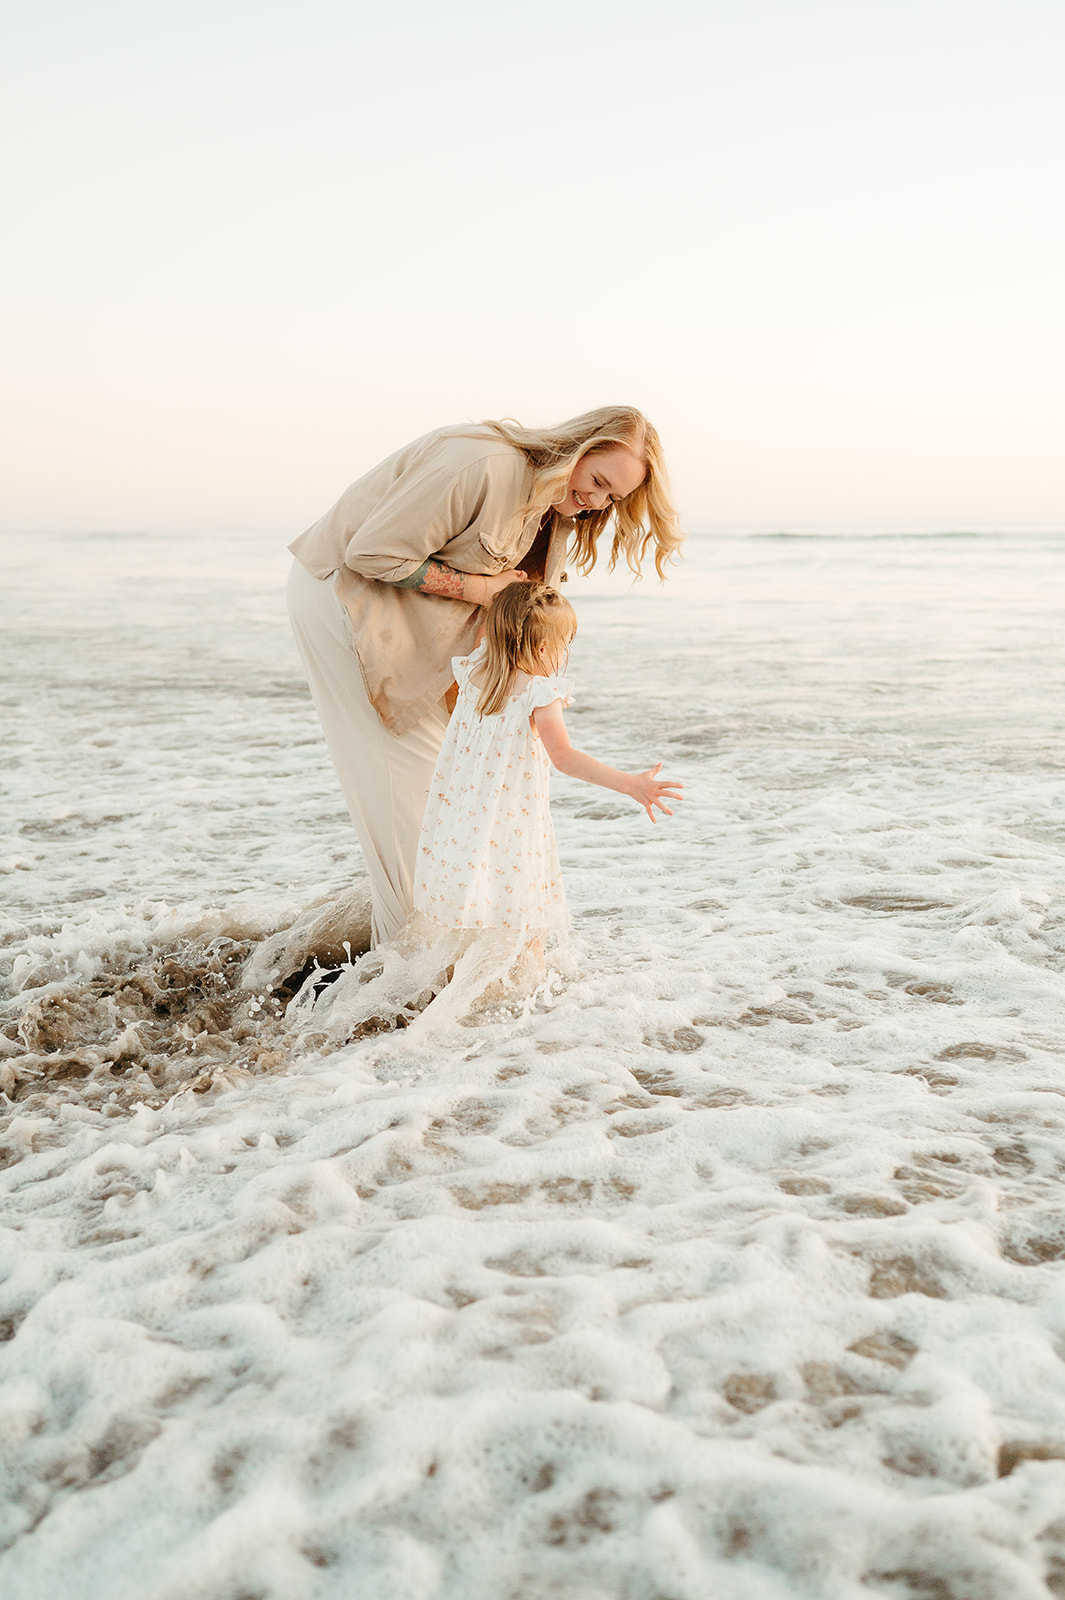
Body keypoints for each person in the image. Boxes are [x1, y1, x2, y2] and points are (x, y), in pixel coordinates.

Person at [287, 407, 682, 948]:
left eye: (612, 498)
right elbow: (371, 553)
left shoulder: (557, 509)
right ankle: (401, 988)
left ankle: (383, 950)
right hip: (345, 604)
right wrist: (478, 589)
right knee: (411, 804)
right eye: (597, 482)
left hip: (422, 631)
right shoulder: (481, 464)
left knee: (447, 808)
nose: (597, 502)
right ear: (576, 448)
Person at [414, 583, 682, 955]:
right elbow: (565, 757)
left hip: (464, 811)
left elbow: (496, 627)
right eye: (565, 644)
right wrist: (629, 784)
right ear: (542, 648)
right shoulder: (539, 693)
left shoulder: (476, 668)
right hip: (510, 817)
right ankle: (529, 993)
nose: (565, 654)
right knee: (525, 917)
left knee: (474, 899)